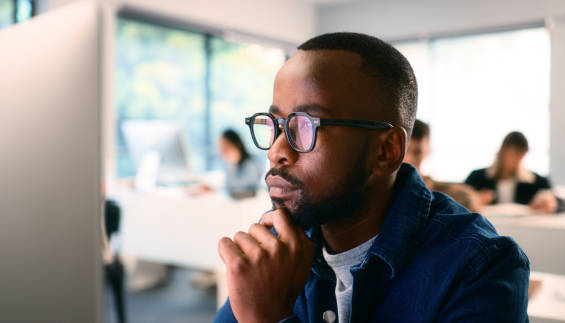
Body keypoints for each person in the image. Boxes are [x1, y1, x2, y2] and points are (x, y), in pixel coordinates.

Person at [214, 32, 529, 322]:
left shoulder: (479, 266)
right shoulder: (281, 240)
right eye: (276, 124)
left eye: (306, 125)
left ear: (386, 150)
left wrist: (270, 318)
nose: (275, 151)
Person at [465, 131, 565, 214]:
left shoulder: (535, 181)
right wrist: (473, 201)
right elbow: (455, 202)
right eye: (513, 153)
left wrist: (550, 203)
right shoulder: (477, 177)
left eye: (521, 154)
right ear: (502, 151)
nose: (516, 159)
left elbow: (564, 205)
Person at [404, 119, 481, 212]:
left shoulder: (461, 198)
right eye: (403, 152)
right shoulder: (384, 198)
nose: (407, 159)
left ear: (428, 151)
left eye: (417, 152)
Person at [189, 129, 261, 199]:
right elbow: (229, 187)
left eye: (224, 145)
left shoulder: (250, 165)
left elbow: (240, 189)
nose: (221, 150)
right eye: (220, 146)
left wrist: (217, 191)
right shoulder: (232, 164)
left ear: (235, 144)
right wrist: (212, 188)